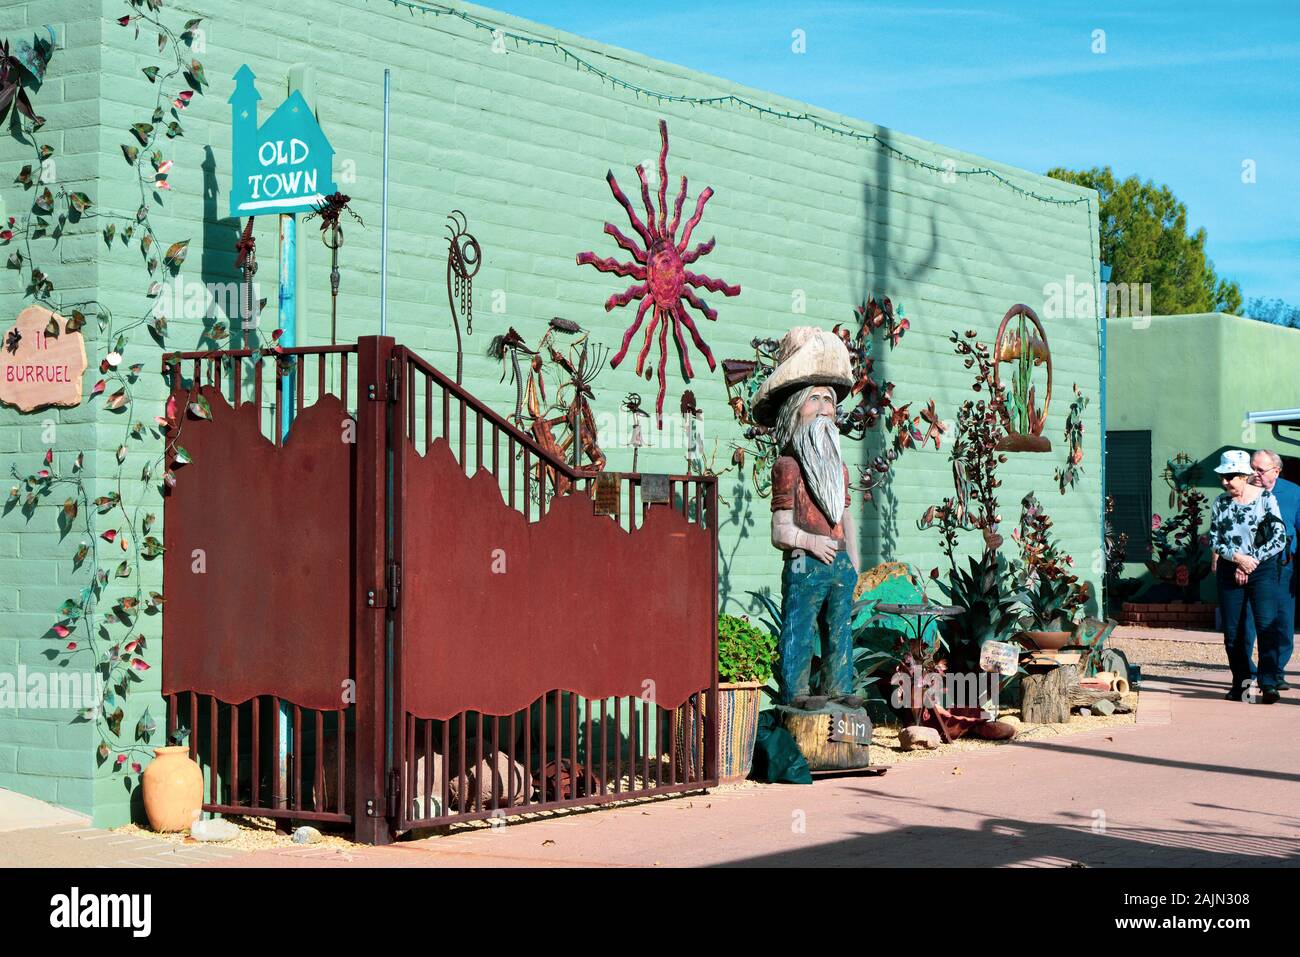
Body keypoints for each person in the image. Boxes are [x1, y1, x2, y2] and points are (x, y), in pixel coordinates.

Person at [752, 327, 861, 711]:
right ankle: (795, 691)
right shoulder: (787, 467)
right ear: (794, 407)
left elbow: (844, 516)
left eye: (829, 400)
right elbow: (780, 530)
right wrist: (813, 543)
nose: (823, 408)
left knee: (840, 630)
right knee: (799, 627)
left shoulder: (839, 470)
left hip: (838, 564)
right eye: (813, 399)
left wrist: (852, 564)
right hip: (805, 563)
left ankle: (837, 686)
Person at [1210, 449, 1288, 703]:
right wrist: (1238, 559)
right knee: (1233, 633)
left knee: (1267, 626)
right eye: (1222, 477)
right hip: (1230, 569)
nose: (1225, 482)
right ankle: (1242, 684)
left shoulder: (1267, 499)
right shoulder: (1220, 503)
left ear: (1244, 475)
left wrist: (1250, 561)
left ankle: (1268, 683)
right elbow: (1215, 540)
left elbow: (1279, 538)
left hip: (1261, 569)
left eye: (1230, 476)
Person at [1250, 449, 1299, 690]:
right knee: (1246, 622)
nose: (1255, 474)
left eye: (1260, 470)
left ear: (1276, 471)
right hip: (1249, 565)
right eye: (1252, 468)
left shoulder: (1293, 492)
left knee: (1281, 621)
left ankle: (1276, 672)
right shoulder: (1242, 491)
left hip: (1282, 566)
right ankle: (1249, 673)